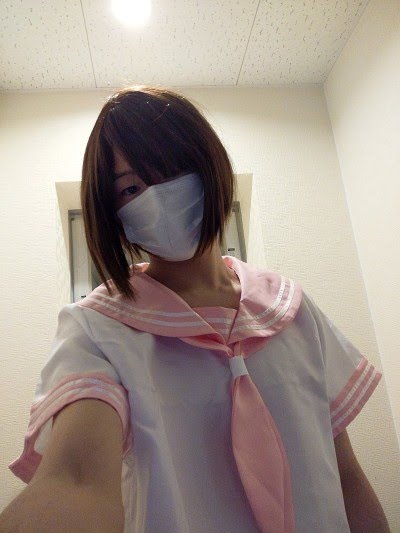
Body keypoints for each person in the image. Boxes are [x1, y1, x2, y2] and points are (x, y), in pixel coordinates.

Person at [1, 85, 388, 533]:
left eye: (173, 170)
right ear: (112, 211)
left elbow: (345, 476)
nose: (157, 197)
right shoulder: (97, 328)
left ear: (209, 164)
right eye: (131, 187)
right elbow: (76, 480)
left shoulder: (292, 309)